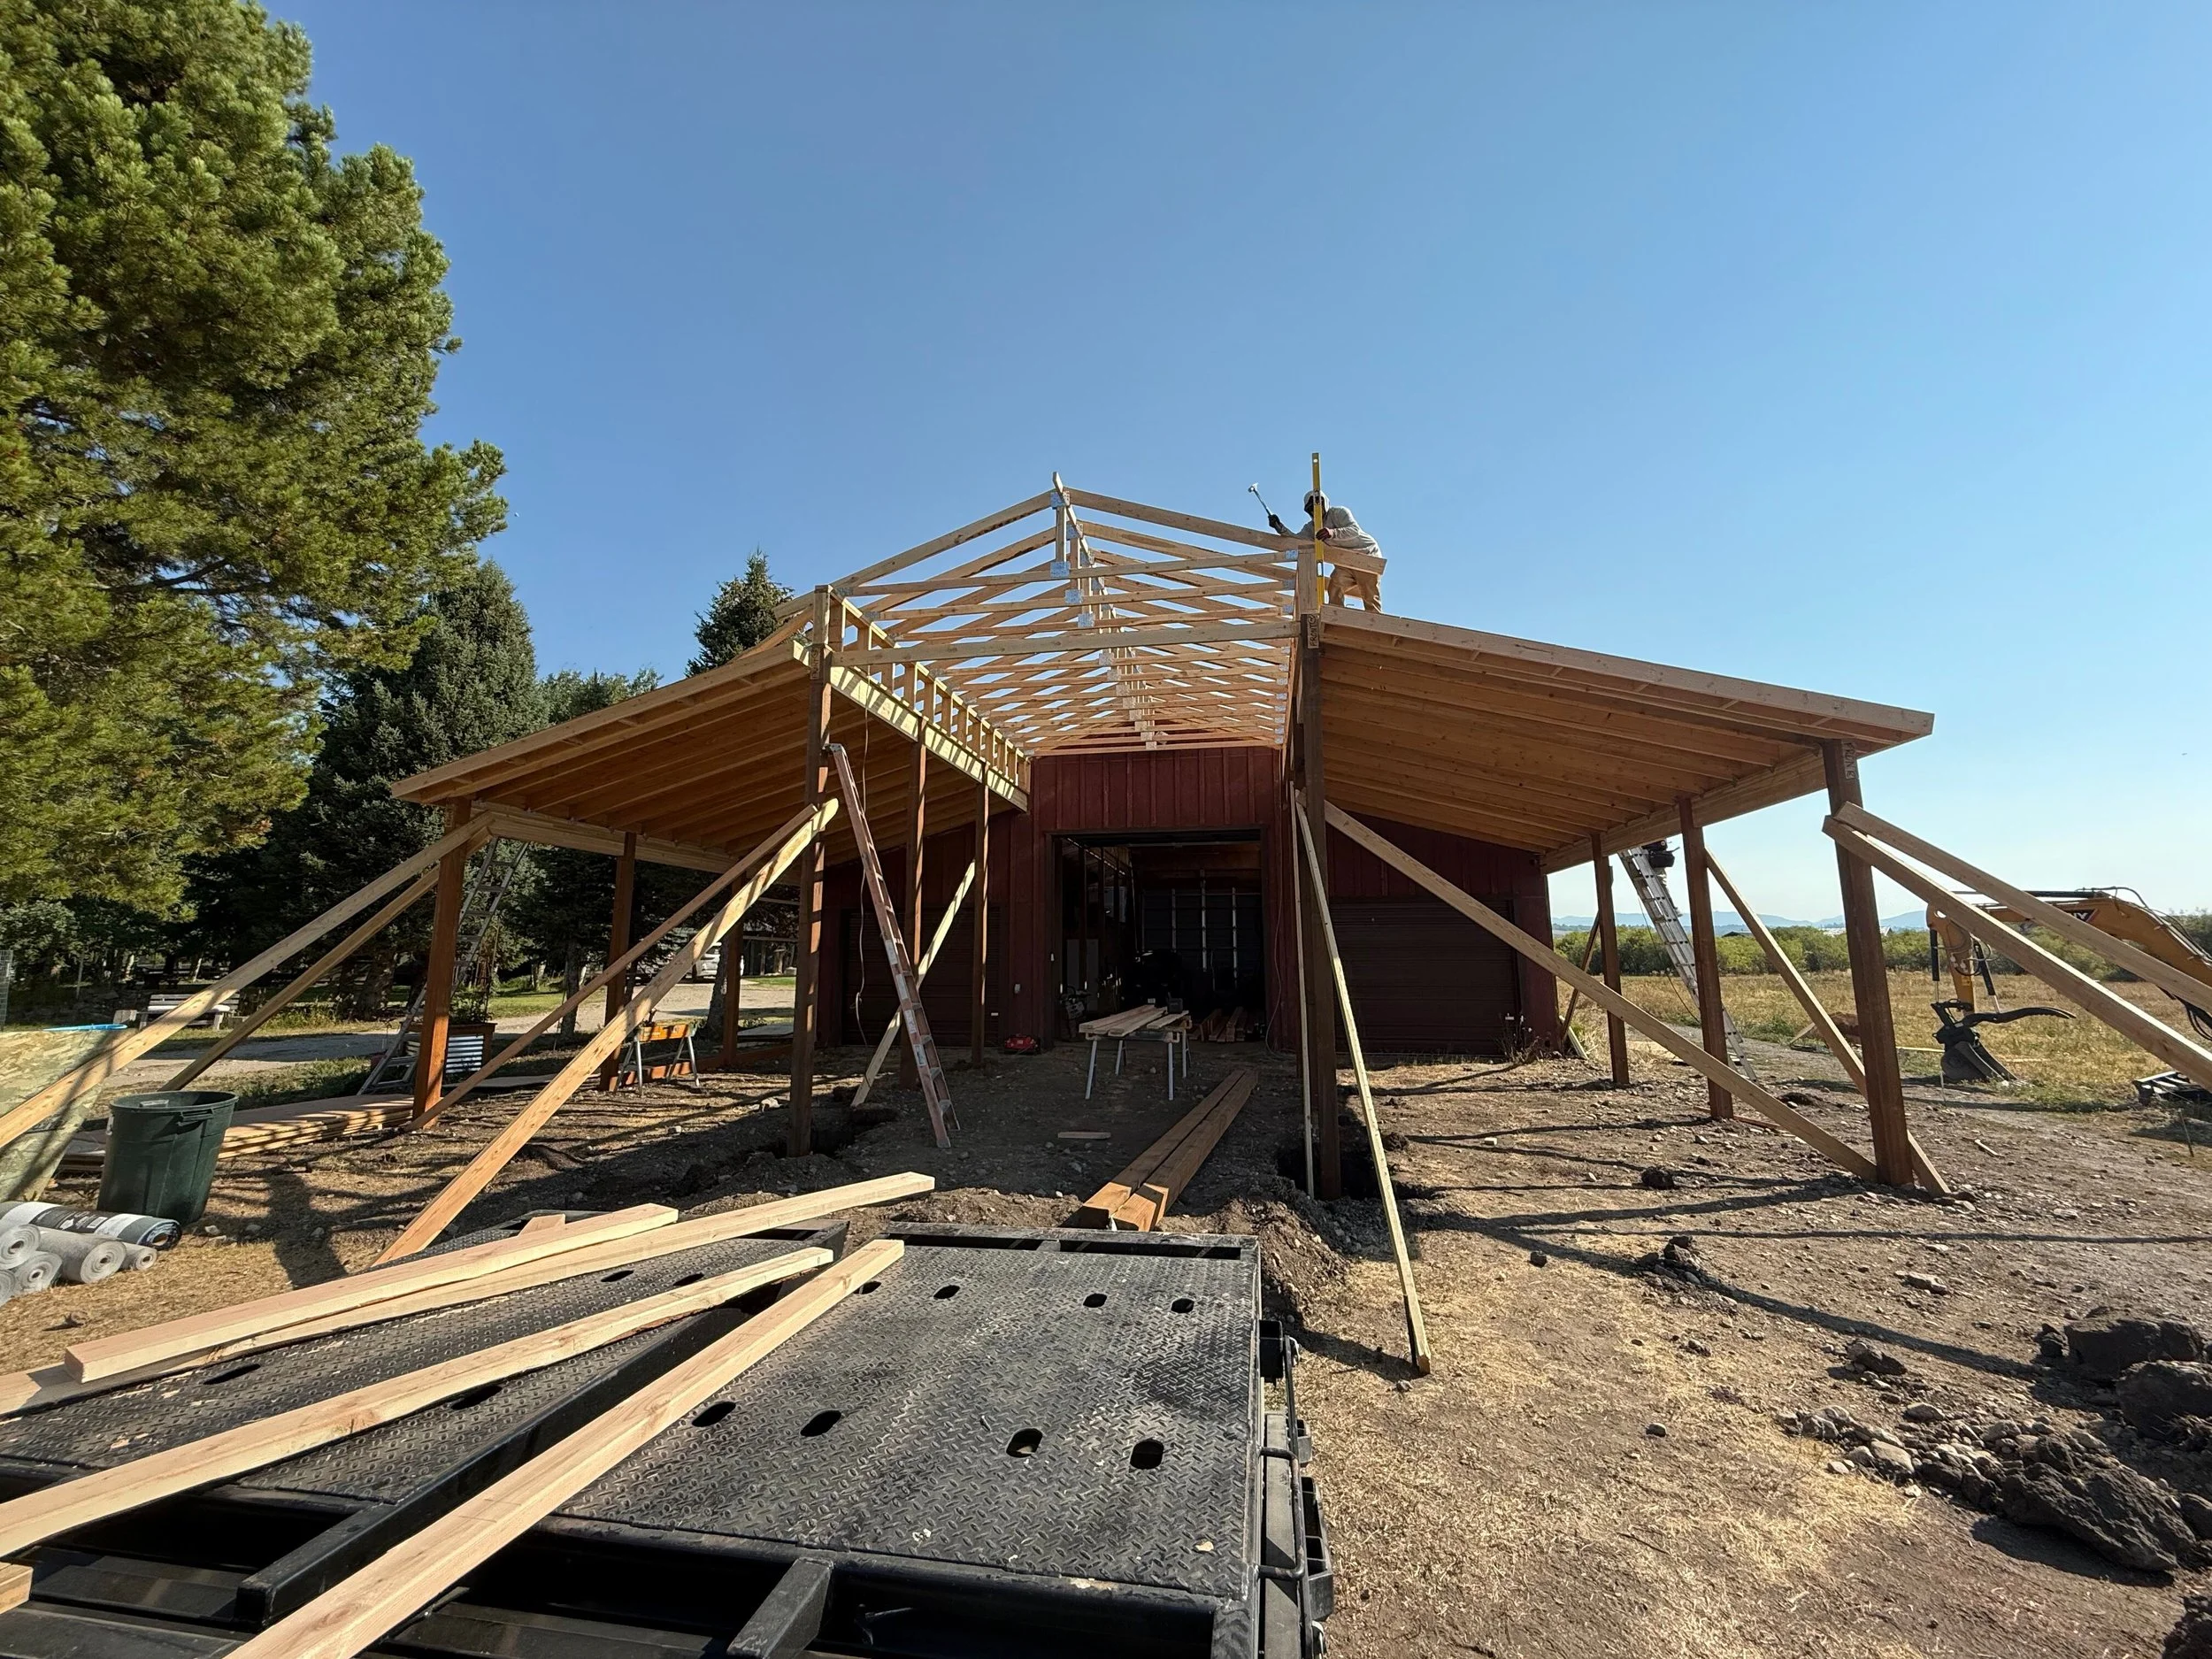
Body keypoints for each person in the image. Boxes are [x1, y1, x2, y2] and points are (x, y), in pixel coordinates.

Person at [1266, 490, 1383, 608]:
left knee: (1369, 595)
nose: (1315, 510)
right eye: (1311, 508)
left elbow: (1354, 530)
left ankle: (1375, 621)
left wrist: (1332, 532)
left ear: (1325, 503)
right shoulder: (1312, 527)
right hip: (1344, 562)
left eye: (1318, 505)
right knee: (1335, 587)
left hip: (1366, 556)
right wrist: (1280, 527)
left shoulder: (1338, 513)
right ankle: (1336, 619)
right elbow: (1298, 541)